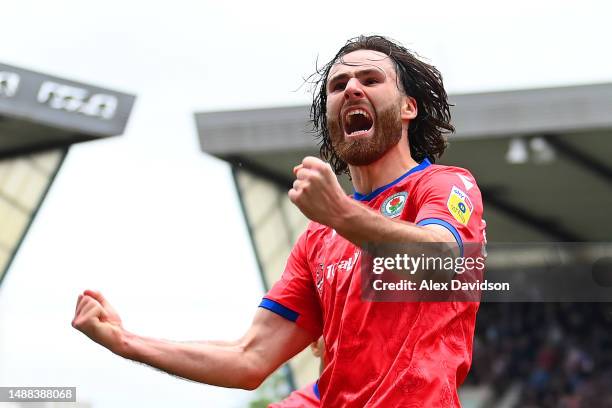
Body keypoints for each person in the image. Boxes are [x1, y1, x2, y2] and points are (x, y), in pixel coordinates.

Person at [72, 35, 485, 407]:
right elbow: (248, 359)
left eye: (370, 79)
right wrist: (126, 342)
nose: (352, 88)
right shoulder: (318, 237)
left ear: (408, 106)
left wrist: (341, 214)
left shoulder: (445, 185)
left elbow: (444, 258)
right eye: (337, 86)